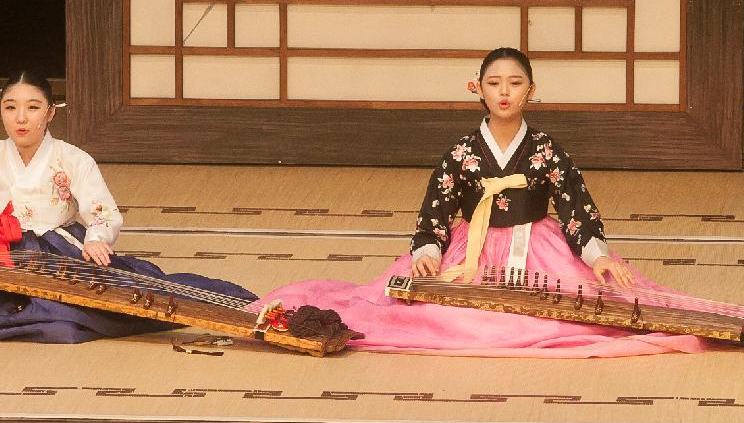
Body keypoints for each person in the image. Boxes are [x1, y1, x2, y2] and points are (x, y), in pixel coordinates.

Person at [256, 47, 711, 357]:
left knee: (585, 310)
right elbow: (435, 212)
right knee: (433, 314)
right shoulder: (462, 152)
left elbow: (577, 210)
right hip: (472, 248)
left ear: (532, 89)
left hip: (539, 247)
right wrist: (428, 252)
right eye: (494, 83)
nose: (505, 92)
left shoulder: (547, 149)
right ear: (476, 88)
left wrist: (598, 257)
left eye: (515, 83)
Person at [0, 71, 256, 342]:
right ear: (0, 110)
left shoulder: (73, 158)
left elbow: (101, 210)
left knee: (87, 312)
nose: (21, 118)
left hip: (58, 248)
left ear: (49, 113)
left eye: (33, 107)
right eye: (11, 107)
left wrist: (97, 237)